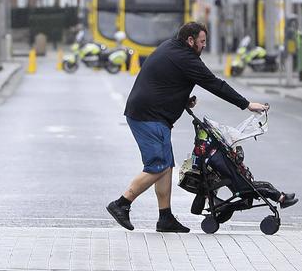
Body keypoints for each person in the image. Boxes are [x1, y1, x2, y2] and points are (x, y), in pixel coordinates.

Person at [107, 21, 268, 233]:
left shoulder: (172, 48)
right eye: (201, 42)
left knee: (166, 167)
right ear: (190, 40)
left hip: (153, 114)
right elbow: (214, 83)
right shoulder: (185, 57)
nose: (204, 46)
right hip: (148, 117)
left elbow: (164, 83)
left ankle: (165, 218)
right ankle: (121, 204)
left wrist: (182, 100)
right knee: (158, 166)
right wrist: (246, 104)